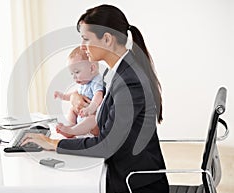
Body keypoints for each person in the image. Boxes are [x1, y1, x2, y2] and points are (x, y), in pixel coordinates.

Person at [21, 4, 169, 193]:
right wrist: (76, 98)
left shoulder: (129, 81)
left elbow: (106, 145)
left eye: (86, 39)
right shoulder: (118, 70)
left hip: (134, 184)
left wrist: (52, 143)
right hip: (125, 172)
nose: (82, 46)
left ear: (107, 39)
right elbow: (105, 117)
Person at [54, 46, 104, 137]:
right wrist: (63, 96)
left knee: (93, 119)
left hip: (92, 117)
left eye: (77, 72)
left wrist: (91, 108)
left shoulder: (96, 81)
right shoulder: (84, 83)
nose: (74, 77)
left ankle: (73, 130)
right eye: (72, 74)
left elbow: (99, 95)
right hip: (82, 115)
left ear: (92, 69)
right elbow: (74, 94)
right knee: (72, 110)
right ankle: (70, 127)